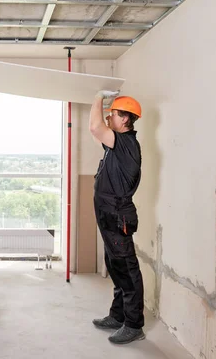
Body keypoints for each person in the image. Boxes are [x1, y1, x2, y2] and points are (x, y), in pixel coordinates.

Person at [89, 90, 145, 344]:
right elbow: (100, 130)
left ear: (125, 119)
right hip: (109, 218)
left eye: (113, 115)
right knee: (115, 267)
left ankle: (134, 325)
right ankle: (118, 315)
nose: (109, 119)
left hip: (118, 218)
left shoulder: (126, 144)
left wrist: (99, 97)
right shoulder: (117, 144)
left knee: (127, 270)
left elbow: (94, 127)